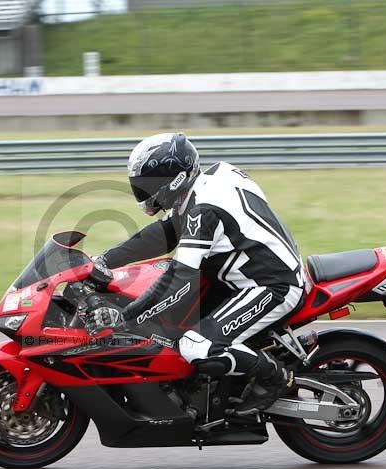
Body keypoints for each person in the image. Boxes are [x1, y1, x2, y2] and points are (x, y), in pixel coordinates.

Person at [84, 132, 305, 407]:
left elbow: (180, 277)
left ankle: (276, 377)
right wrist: (103, 260)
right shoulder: (207, 182)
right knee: (170, 330)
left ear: (174, 178)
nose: (144, 191)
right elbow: (164, 233)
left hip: (271, 285)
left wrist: (124, 316)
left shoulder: (203, 209)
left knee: (196, 346)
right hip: (237, 279)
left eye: (148, 184)